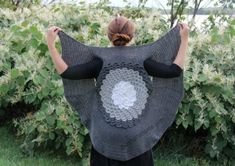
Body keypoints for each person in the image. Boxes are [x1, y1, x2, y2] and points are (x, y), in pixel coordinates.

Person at [46, 15, 189, 166]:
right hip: (137, 137)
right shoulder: (142, 59)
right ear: (131, 36)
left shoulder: (100, 61)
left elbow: (67, 73)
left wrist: (51, 44)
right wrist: (184, 39)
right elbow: (174, 71)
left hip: (105, 136)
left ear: (109, 35)